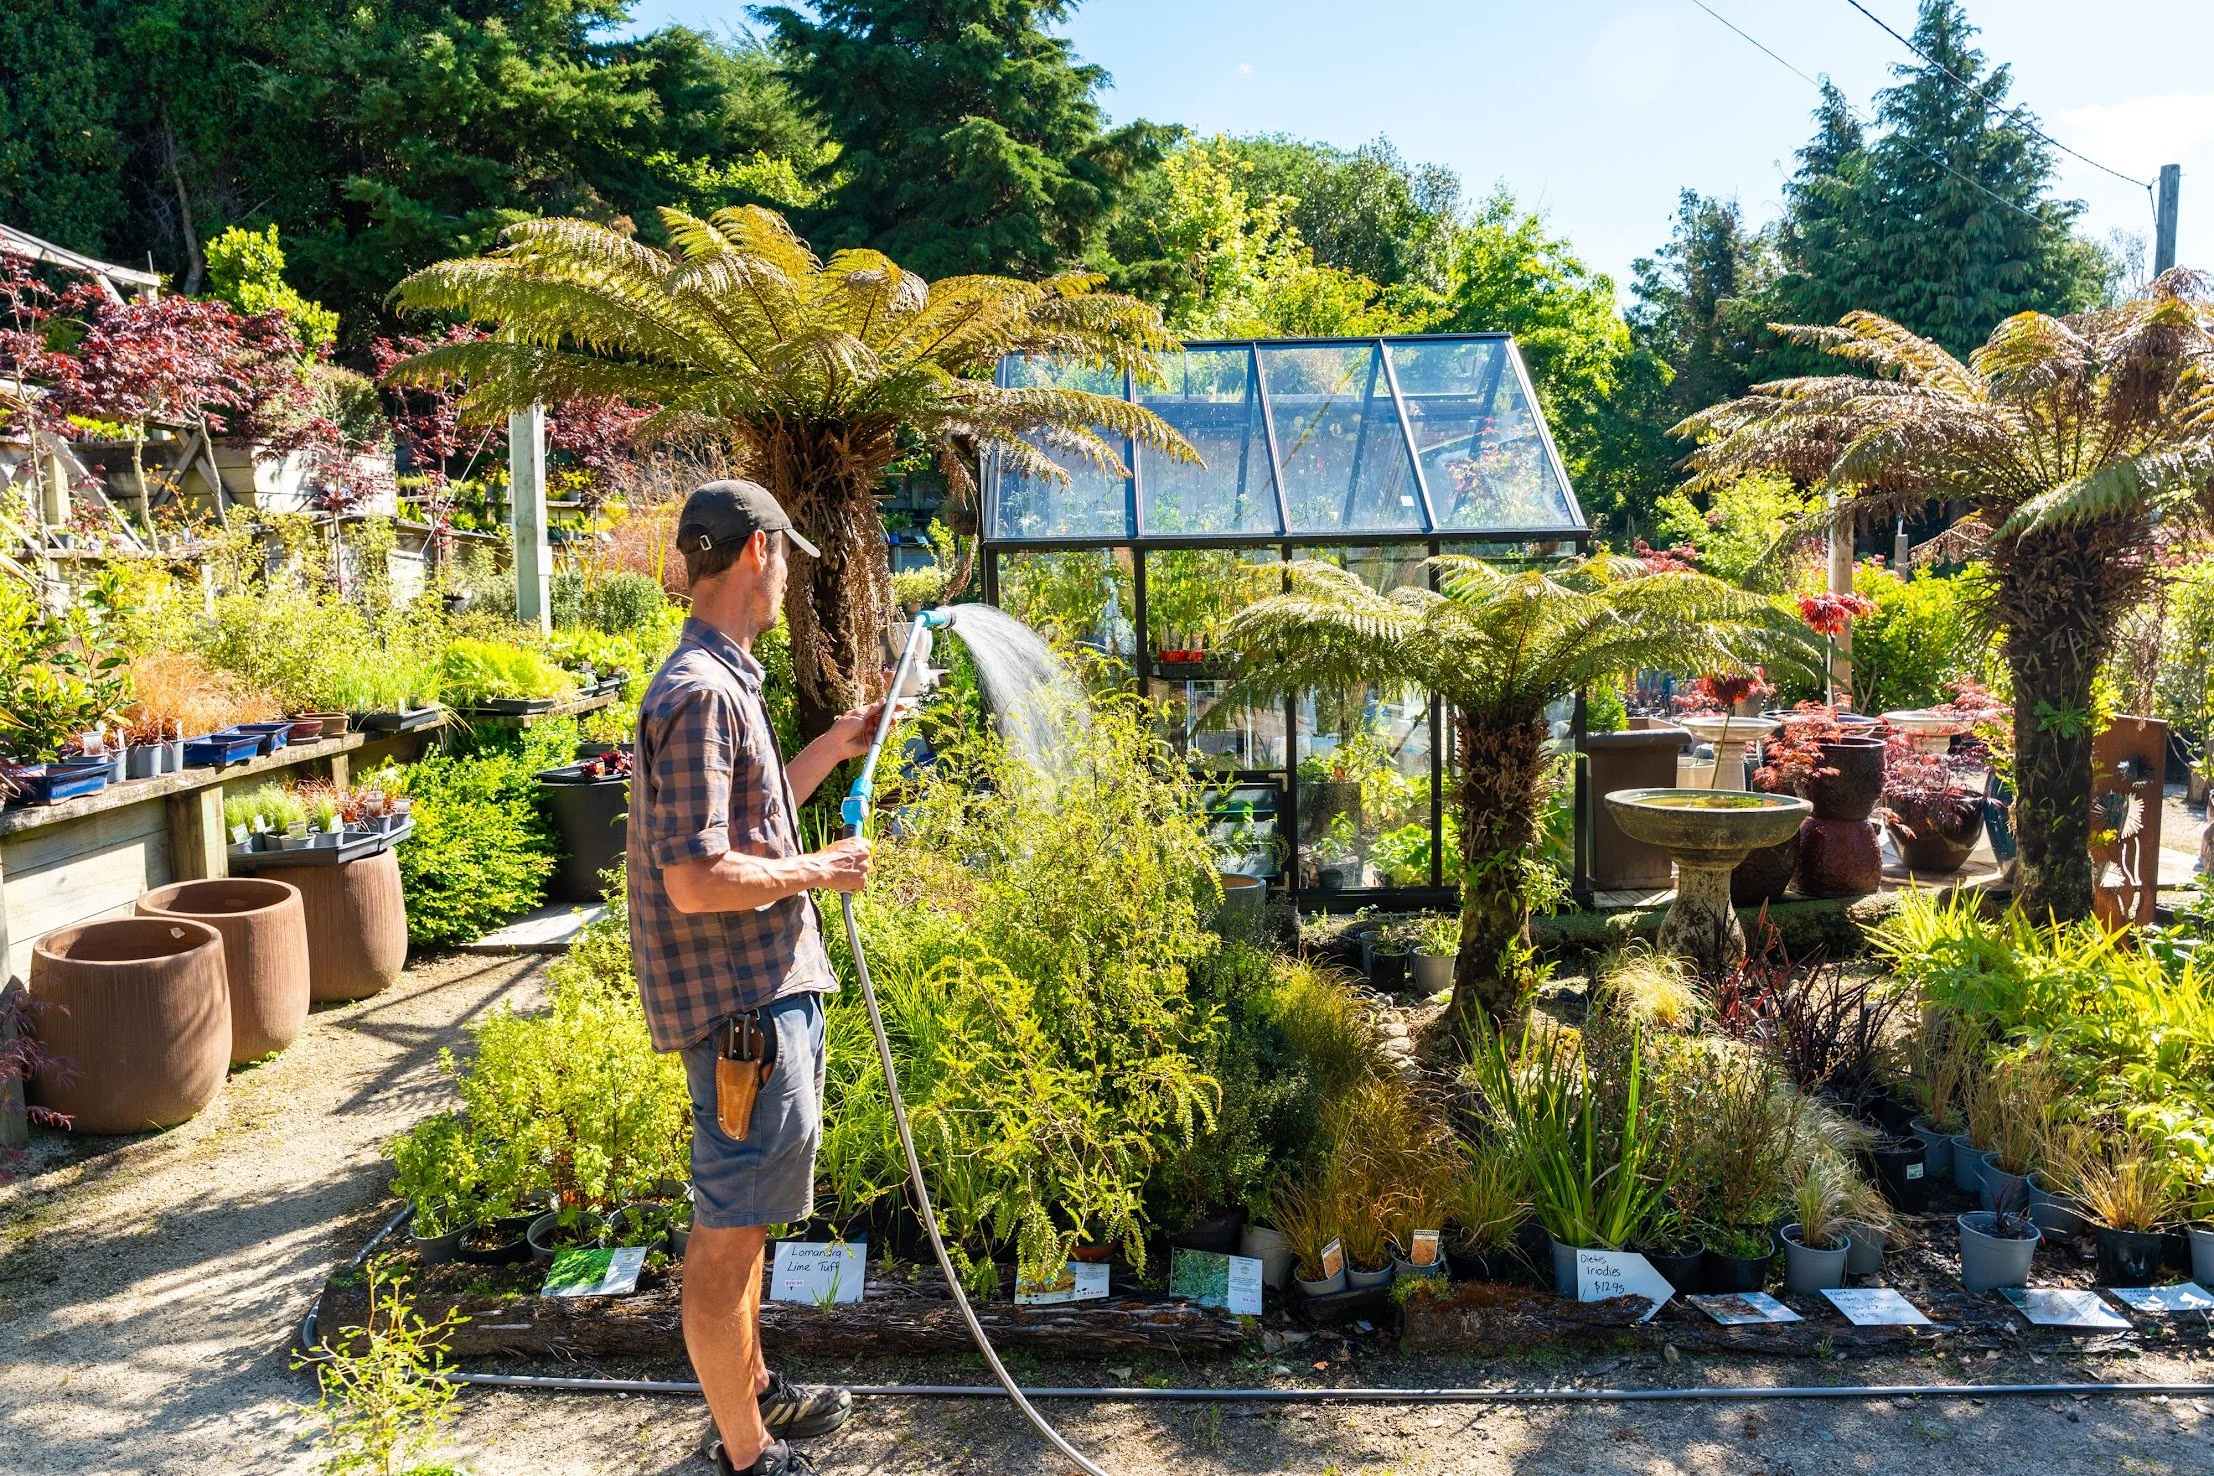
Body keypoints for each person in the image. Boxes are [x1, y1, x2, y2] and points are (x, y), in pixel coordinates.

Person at [629, 479, 882, 1476]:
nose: (786, 578)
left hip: (764, 998)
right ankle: (746, 1452)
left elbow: (750, 821)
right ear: (755, 555)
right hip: (743, 1014)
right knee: (727, 1235)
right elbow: (695, 880)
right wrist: (820, 869)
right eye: (784, 557)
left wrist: (837, 740)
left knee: (751, 1217)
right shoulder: (699, 694)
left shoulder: (726, 681)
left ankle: (758, 1389)